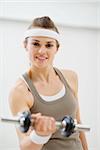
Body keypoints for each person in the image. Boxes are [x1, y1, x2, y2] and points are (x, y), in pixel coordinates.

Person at [9, 16, 88, 150]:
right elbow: (24, 145)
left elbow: (78, 125)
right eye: (36, 44)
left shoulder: (70, 77)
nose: (42, 51)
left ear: (56, 48)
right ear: (25, 45)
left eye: (49, 45)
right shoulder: (20, 91)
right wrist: (40, 135)